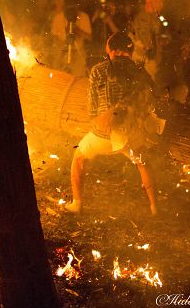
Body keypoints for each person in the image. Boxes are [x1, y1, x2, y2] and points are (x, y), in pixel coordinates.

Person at [68, 33, 163, 215]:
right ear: (129, 50)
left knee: (79, 157)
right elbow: (152, 98)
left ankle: (77, 204)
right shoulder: (140, 71)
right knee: (143, 163)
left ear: (112, 50)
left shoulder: (97, 70)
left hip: (104, 135)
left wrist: (99, 123)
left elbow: (92, 108)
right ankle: (154, 208)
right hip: (132, 134)